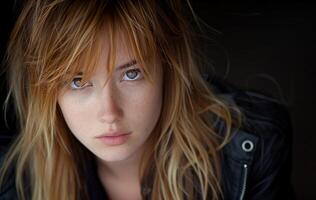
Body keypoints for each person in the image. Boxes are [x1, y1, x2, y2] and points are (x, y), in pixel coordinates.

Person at [0, 0, 294, 199]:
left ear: (169, 68)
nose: (109, 113)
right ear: (46, 91)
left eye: (131, 74)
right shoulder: (16, 181)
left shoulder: (250, 148)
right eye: (78, 82)